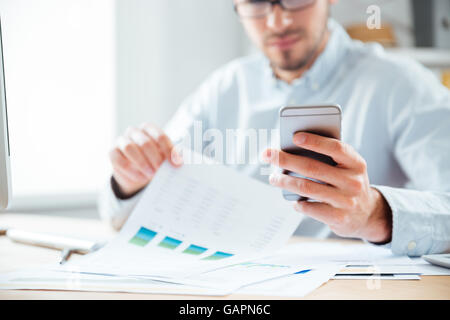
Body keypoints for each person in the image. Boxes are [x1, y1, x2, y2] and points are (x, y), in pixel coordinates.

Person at [99, 0, 450, 256]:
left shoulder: (404, 85)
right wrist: (130, 181)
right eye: (255, 2)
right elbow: (121, 213)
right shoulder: (224, 87)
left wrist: (375, 213)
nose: (277, 20)